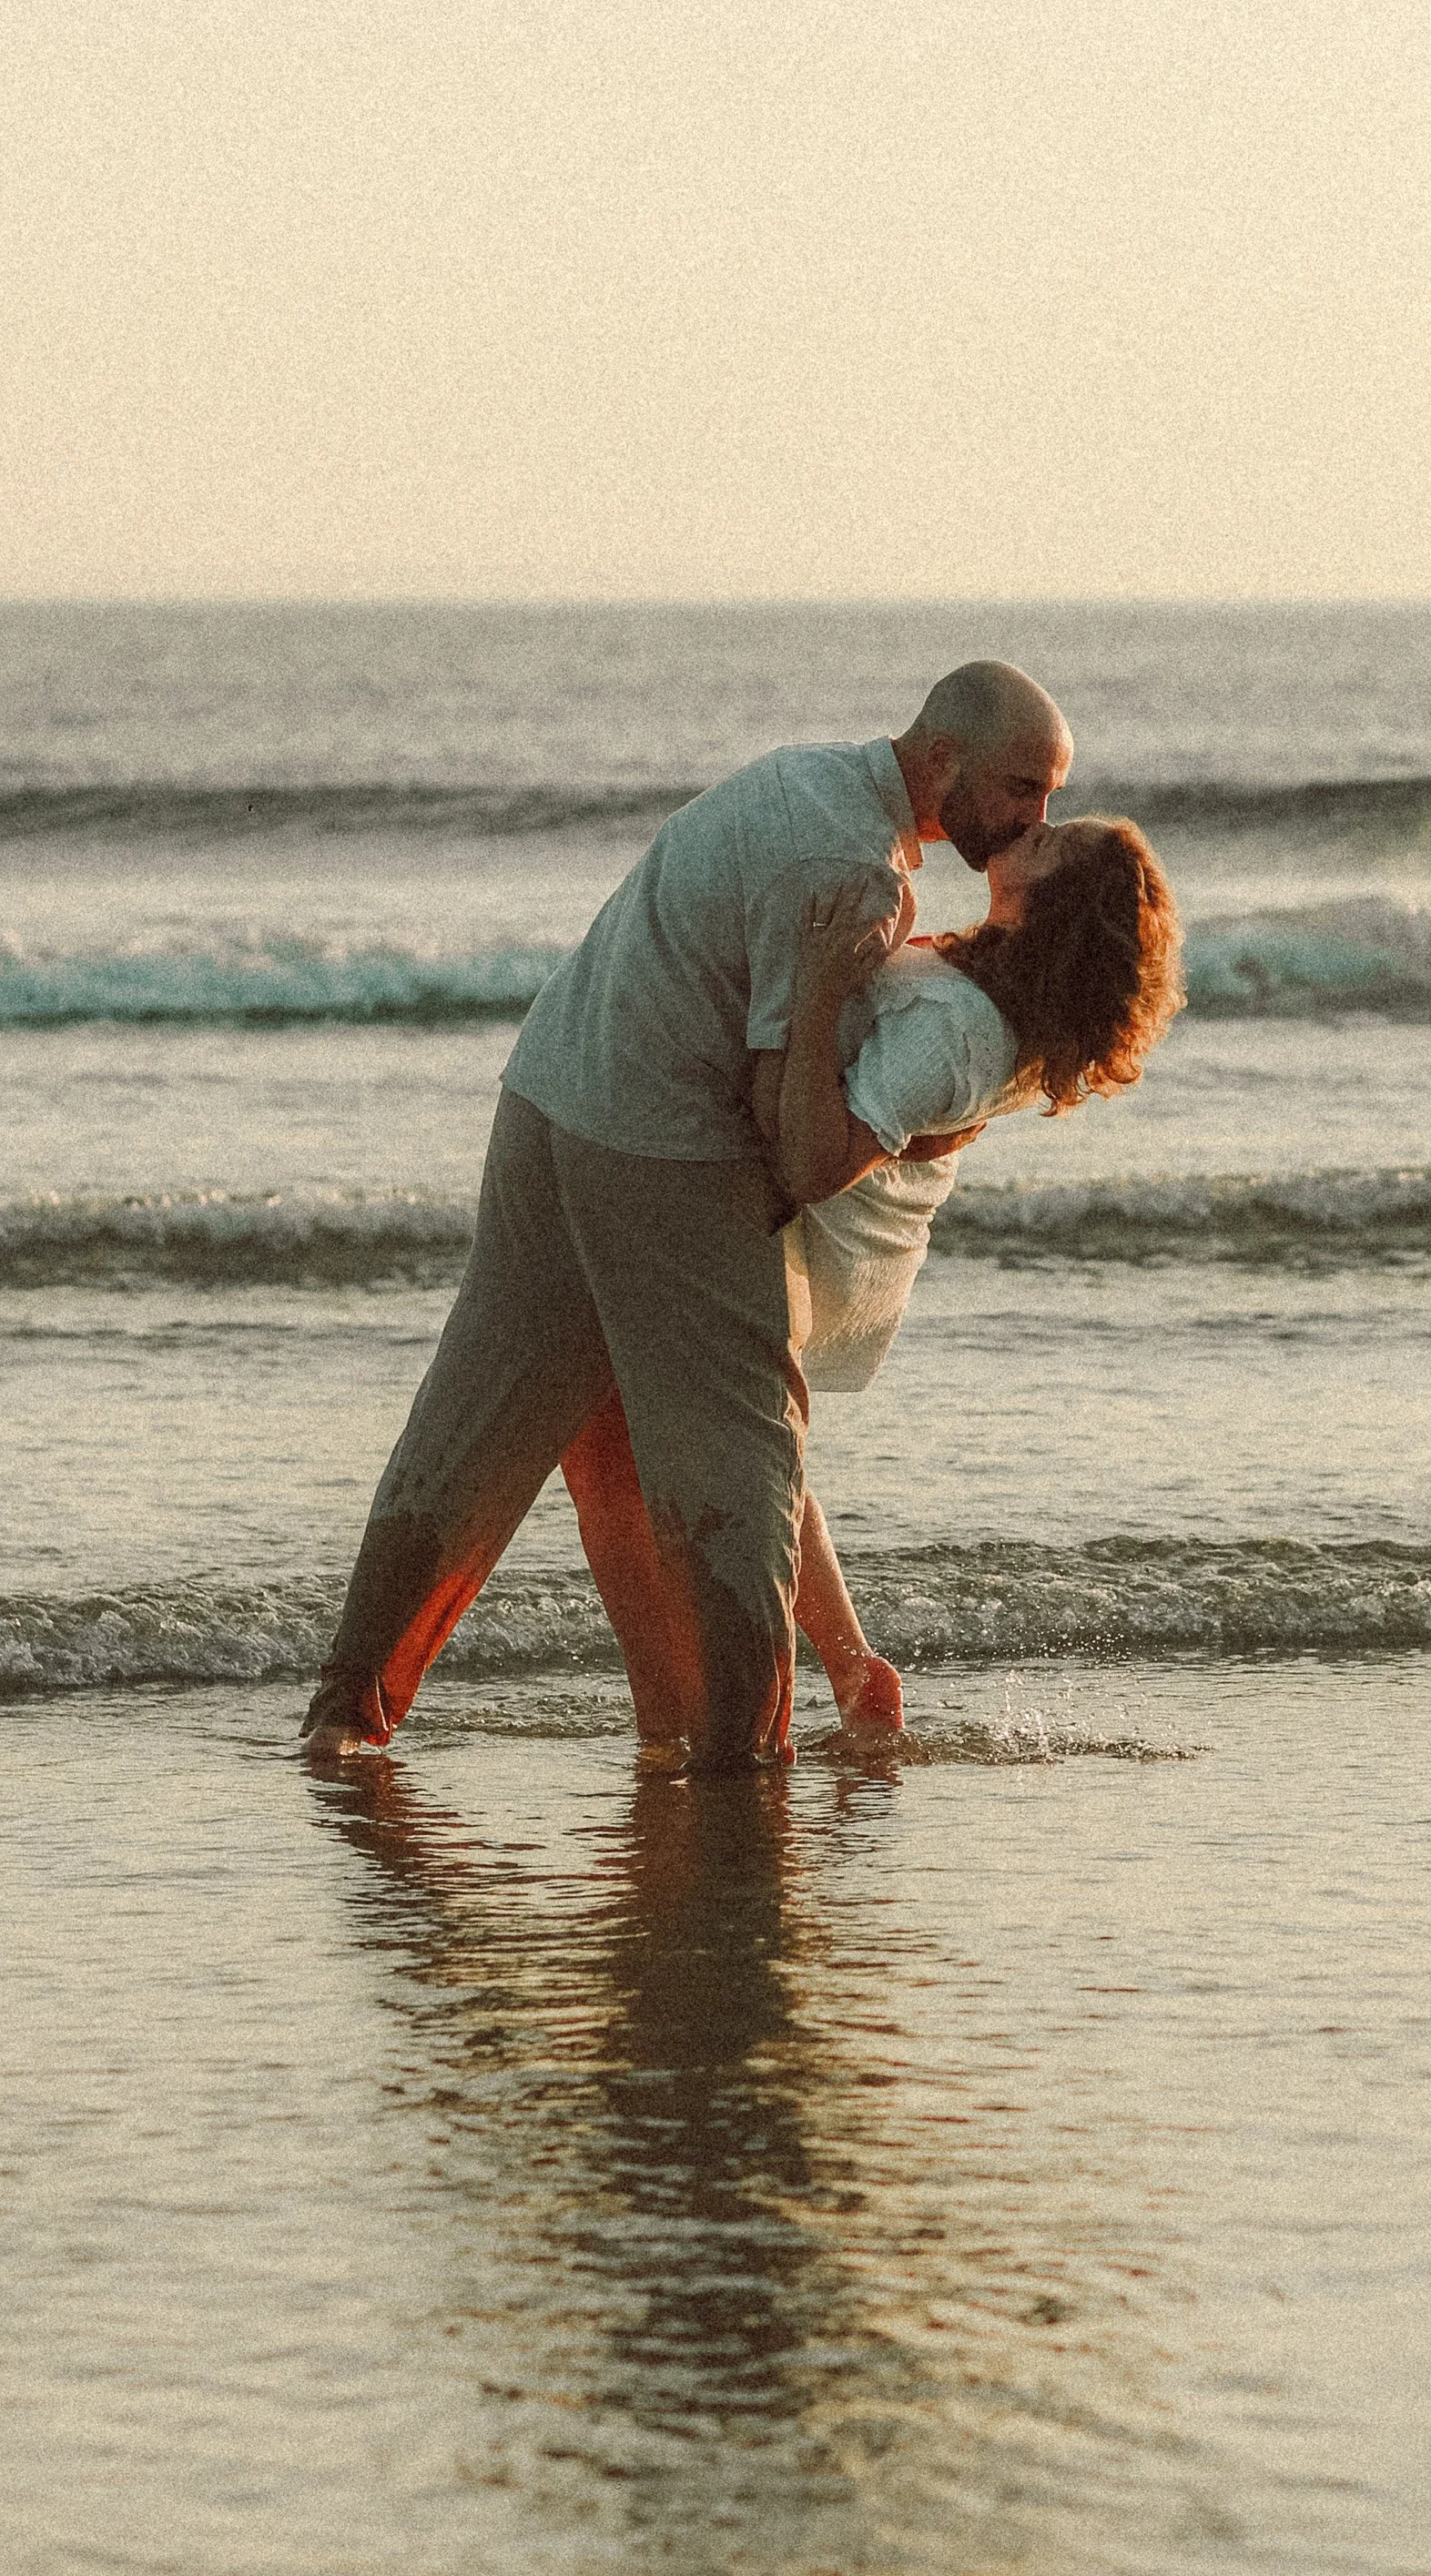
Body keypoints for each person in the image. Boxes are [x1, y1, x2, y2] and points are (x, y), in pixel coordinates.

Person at [299, 662, 1074, 1764]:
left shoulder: (799, 776)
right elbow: (779, 1122)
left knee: (474, 1428)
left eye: (1045, 799)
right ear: (942, 758)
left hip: (549, 1094)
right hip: (661, 1142)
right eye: (1021, 787)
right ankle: (737, 1755)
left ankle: (346, 1718)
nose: (1029, 819)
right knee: (737, 1462)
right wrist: (898, 1128)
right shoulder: (852, 869)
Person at [573, 812, 1186, 1756]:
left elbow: (817, 1157)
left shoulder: (958, 1023)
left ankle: (683, 1721)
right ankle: (840, 1672)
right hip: (798, 1231)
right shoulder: (986, 984)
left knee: (640, 1454)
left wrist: (816, 985)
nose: (1034, 821)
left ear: (1054, 905)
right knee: (737, 1456)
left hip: (792, 1230)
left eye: (1052, 837)